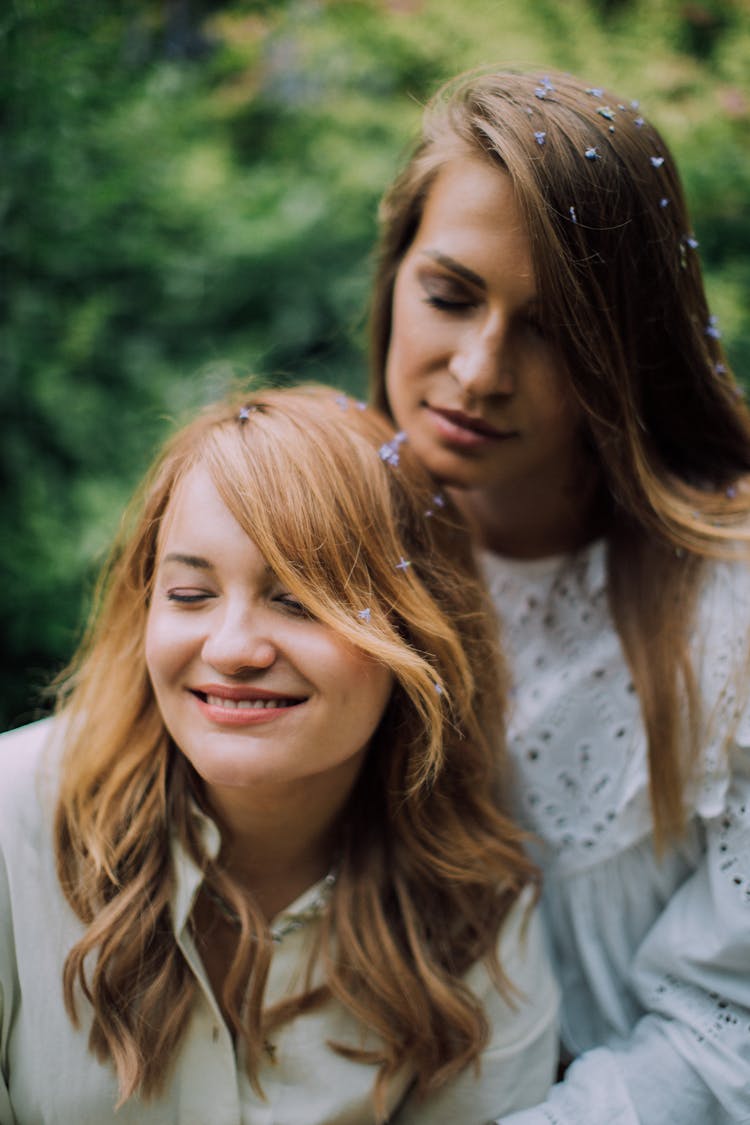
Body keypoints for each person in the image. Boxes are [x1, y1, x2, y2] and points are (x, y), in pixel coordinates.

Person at [0, 384, 559, 1124]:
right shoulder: (13, 824)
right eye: (191, 593)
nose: (231, 649)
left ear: (417, 633)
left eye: (298, 598)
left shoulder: (477, 903)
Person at [369, 66, 750, 1124]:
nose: (479, 369)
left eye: (549, 329)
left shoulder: (732, 616)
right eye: (449, 296)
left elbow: (733, 1038)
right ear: (393, 275)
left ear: (627, 346)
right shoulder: (322, 542)